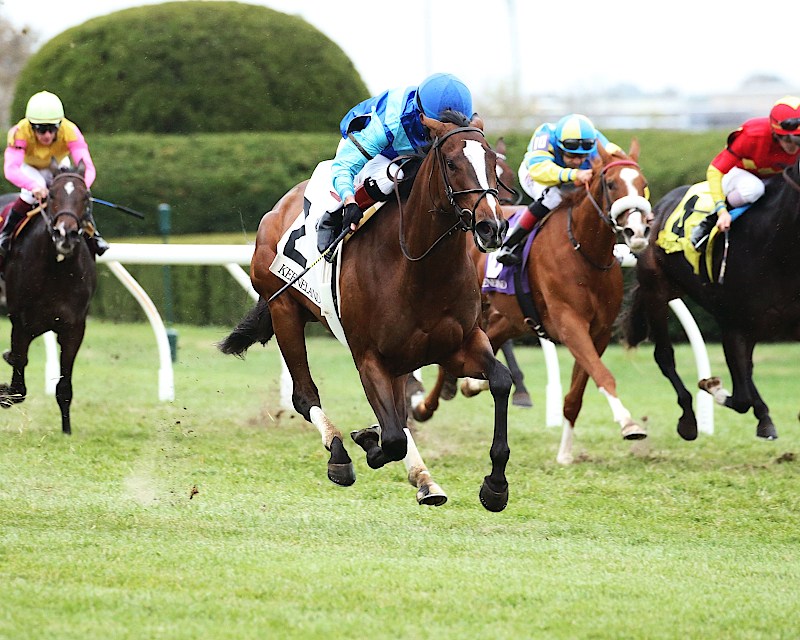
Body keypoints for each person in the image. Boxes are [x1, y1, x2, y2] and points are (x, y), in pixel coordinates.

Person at [316, 72, 473, 260]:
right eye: (438, 129)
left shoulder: (459, 118)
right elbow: (343, 166)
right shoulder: (389, 123)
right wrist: (349, 202)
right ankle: (333, 217)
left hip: (407, 157)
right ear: (422, 117)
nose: (442, 135)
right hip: (369, 150)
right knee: (392, 176)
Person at [495, 114, 622, 265]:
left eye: (583, 156)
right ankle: (509, 245)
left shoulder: (597, 140)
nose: (577, 161)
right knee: (552, 197)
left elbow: (624, 166)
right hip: (537, 174)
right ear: (560, 146)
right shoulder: (545, 134)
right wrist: (575, 174)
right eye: (571, 155)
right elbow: (539, 170)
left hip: (577, 178)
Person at [1, 91, 108, 257]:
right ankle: (6, 233)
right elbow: (11, 168)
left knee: (73, 195)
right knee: (29, 196)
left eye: (52, 129)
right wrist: (33, 186)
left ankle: (94, 236)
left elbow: (87, 166)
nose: (48, 135)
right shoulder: (19, 132)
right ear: (31, 126)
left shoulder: (71, 130)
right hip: (30, 166)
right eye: (41, 129)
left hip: (58, 164)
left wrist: (81, 187)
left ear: (60, 125)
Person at [690, 96, 800, 248]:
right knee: (754, 189)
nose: (793, 147)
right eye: (786, 140)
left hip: (776, 179)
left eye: (797, 140)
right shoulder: (753, 134)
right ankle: (710, 221)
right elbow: (715, 170)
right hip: (739, 175)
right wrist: (722, 211)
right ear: (775, 132)